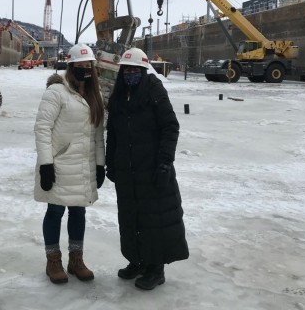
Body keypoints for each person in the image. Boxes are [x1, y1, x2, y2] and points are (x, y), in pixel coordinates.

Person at [105, 47, 189, 290]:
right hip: (127, 172)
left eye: (136, 70)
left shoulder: (154, 91)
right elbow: (114, 134)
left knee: (155, 220)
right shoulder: (119, 95)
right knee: (131, 218)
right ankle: (137, 261)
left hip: (152, 170)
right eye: (127, 70)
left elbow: (170, 127)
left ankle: (155, 268)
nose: (131, 74)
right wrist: (111, 163)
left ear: (143, 70)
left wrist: (164, 162)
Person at [33, 43, 106, 284]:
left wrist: (99, 164)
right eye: (80, 65)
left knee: (78, 210)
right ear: (71, 66)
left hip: (83, 166)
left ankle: (76, 259)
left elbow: (97, 135)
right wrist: (46, 164)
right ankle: (53, 260)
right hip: (59, 163)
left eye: (89, 66)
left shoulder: (95, 95)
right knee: (55, 210)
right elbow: (42, 127)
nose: (85, 69)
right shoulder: (56, 92)